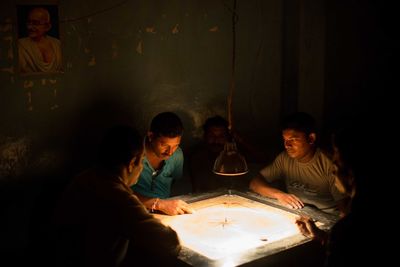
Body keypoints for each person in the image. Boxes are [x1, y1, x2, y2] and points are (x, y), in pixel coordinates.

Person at [52, 125, 181, 267]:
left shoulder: (84, 178)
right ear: (133, 163)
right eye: (142, 160)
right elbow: (168, 242)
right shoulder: (119, 198)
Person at [295, 115, 381, 266]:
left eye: (335, 167)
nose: (333, 173)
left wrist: (335, 238)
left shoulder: (348, 228)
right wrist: (321, 236)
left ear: (351, 174)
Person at [249, 112, 348, 215]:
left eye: (293, 139)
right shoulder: (284, 158)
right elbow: (255, 183)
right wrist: (279, 195)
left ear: (311, 138)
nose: (287, 145)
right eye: (285, 140)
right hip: (299, 213)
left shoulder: (330, 164)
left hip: (327, 217)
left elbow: (344, 209)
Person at [131, 112, 194, 216]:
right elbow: (117, 191)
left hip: (167, 214)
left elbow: (176, 182)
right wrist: (158, 204)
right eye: (164, 145)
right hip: (134, 213)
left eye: (175, 146)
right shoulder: (133, 154)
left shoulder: (177, 155)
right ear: (151, 136)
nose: (170, 152)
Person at [189, 115, 264, 192]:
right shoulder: (197, 157)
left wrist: (241, 140)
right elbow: (196, 188)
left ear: (228, 137)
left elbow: (262, 158)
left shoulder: (237, 156)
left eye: (221, 136)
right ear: (205, 136)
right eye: (211, 136)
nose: (216, 140)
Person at [18, 7, 63, 74]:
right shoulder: (20, 45)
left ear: (47, 26)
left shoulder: (57, 44)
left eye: (35, 23)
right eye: (28, 23)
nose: (29, 27)